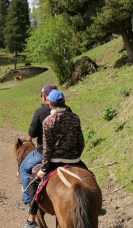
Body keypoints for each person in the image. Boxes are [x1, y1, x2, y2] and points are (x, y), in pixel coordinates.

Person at [22, 89, 87, 228]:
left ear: (50, 103)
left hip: (53, 163)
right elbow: (81, 142)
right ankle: (95, 207)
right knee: (90, 177)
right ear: (64, 102)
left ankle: (31, 219)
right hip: (74, 161)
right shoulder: (75, 118)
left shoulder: (48, 121)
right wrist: (75, 156)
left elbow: (47, 150)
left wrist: (43, 171)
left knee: (33, 182)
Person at [18, 84, 71, 207]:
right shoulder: (68, 110)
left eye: (42, 95)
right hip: (68, 153)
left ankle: (27, 200)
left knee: (23, 169)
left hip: (43, 153)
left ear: (46, 97)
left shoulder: (40, 112)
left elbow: (32, 133)